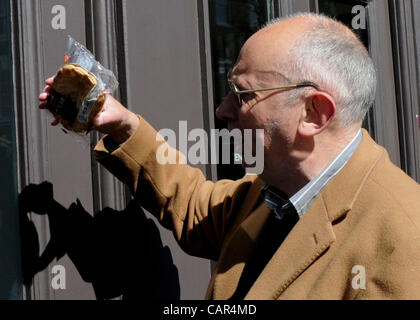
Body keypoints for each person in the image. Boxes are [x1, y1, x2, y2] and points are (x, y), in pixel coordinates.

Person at [39, 13, 420, 299]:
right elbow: (197, 209)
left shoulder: (402, 241)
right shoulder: (278, 189)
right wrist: (120, 125)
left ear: (313, 113)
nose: (222, 110)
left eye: (242, 95)